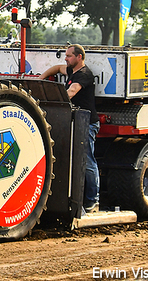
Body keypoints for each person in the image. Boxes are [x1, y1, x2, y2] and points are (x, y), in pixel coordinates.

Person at [39, 44, 100, 212]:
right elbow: (57, 68)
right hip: (73, 121)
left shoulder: (84, 75)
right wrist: (40, 79)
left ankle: (93, 200)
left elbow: (72, 92)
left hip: (87, 123)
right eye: (66, 55)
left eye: (69, 56)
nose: (65, 58)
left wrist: (54, 99)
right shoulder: (72, 70)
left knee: (87, 160)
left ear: (79, 57)